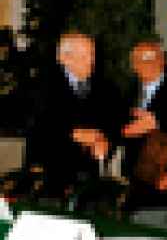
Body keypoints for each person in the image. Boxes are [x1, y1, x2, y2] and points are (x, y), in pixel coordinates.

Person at [26, 32, 120, 206]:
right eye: (84, 56)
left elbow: (114, 123)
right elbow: (38, 126)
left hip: (88, 181)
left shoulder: (106, 87)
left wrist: (106, 141)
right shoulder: (42, 84)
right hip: (49, 178)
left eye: (92, 54)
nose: (91, 61)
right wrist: (72, 134)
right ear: (64, 58)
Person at [121, 40, 167, 230]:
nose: (144, 63)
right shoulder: (129, 92)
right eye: (138, 59)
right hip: (134, 184)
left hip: (164, 184)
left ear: (163, 60)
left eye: (150, 57)